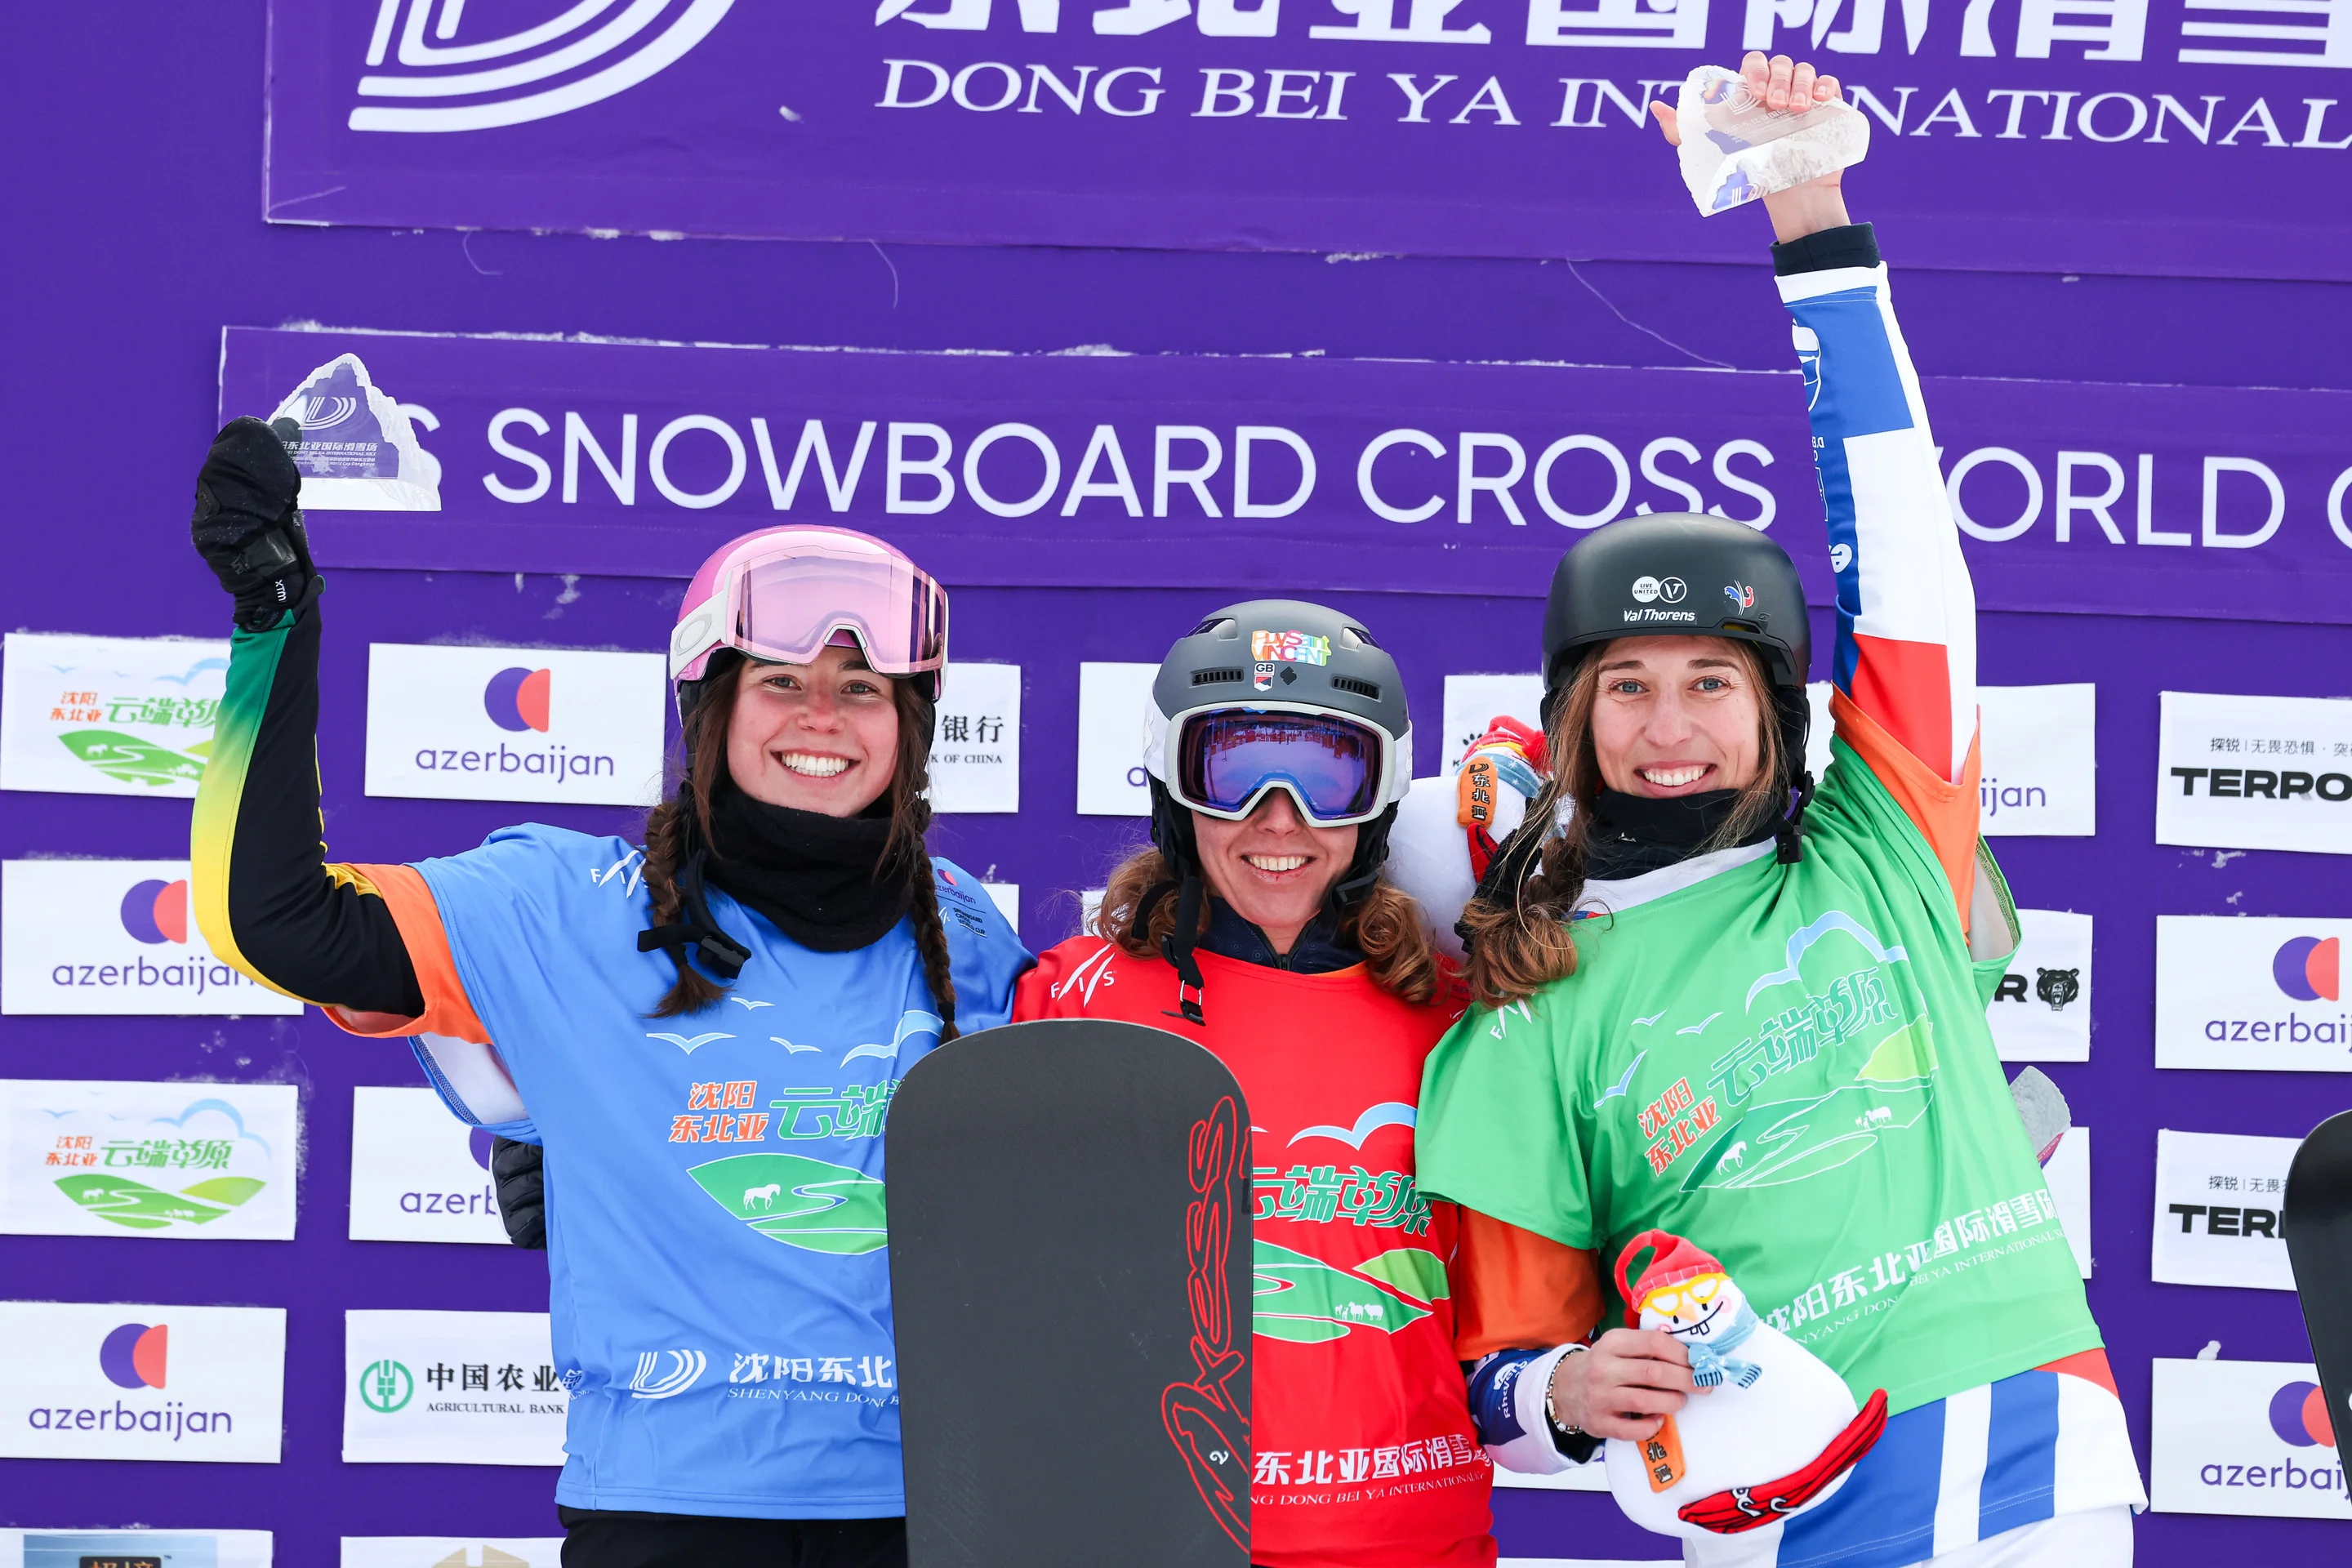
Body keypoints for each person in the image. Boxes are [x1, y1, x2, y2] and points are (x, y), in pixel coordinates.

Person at [1417, 52, 2145, 1568]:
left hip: (2013, 1435)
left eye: (1713, 682)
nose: (1671, 728)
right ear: (1571, 719)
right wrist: (1564, 1391)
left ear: (1778, 709)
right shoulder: (1528, 1012)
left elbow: (1911, 559)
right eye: (1627, 687)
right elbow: (1504, 1375)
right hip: (1760, 1505)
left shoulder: (1882, 850)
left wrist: (1809, 214)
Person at [183, 434, 1030, 1568]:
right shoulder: (559, 905)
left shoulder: (968, 932)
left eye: (862, 689)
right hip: (667, 1517)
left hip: (930, 1514)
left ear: (908, 729)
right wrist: (276, 623)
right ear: (712, 710)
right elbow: (271, 919)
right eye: (780, 681)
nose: (821, 717)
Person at [1014, 601, 1498, 1568]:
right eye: (1233, 774)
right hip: (1149, 1535)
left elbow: (1505, 1321)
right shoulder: (1070, 999)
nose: (1281, 820)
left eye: (1327, 776)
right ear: (1173, 787)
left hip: (1405, 1535)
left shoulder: (1454, 1018)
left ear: (1380, 799)